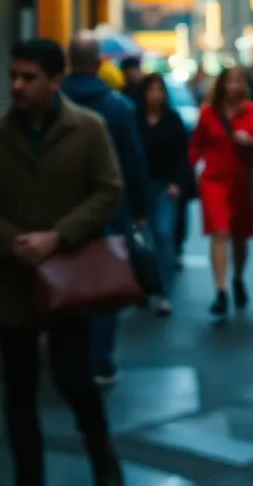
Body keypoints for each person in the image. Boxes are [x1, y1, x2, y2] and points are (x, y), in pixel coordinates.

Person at [0, 38, 125, 486]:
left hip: (69, 278)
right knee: (19, 389)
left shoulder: (88, 129)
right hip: (10, 281)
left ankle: (100, 449)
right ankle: (27, 477)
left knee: (74, 378)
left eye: (28, 78)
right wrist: (11, 241)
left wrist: (58, 236)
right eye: (13, 75)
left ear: (56, 81)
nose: (16, 85)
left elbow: (109, 190)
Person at [61, 31, 149, 388]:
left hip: (60, 209)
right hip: (108, 211)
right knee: (103, 284)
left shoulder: (55, 103)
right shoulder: (118, 108)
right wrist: (139, 209)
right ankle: (98, 361)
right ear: (99, 63)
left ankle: (68, 358)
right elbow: (133, 163)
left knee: (66, 282)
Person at [188, 65, 253, 318]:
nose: (233, 86)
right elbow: (196, 146)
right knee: (219, 232)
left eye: (238, 81)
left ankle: (238, 278)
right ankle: (220, 289)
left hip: (242, 182)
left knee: (241, 236)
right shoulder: (208, 113)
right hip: (214, 180)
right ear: (221, 84)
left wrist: (251, 141)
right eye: (229, 81)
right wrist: (184, 177)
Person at [135, 72, 191, 316]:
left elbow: (183, 154)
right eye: (151, 90)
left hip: (166, 185)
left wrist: (178, 183)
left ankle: (165, 292)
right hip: (141, 186)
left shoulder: (173, 119)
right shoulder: (135, 119)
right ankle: (145, 286)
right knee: (143, 240)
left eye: (160, 90)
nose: (156, 95)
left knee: (164, 234)